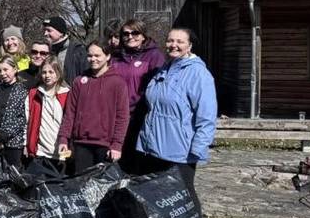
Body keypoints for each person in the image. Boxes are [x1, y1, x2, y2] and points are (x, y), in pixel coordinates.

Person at [137, 27, 218, 192]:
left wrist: (198, 149)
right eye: (170, 40)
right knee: (158, 197)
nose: (174, 45)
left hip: (181, 151)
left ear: (190, 46)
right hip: (153, 146)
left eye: (180, 41)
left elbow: (207, 116)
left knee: (182, 198)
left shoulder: (198, 74)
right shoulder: (165, 69)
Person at [56, 41, 130, 175]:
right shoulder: (79, 81)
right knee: (82, 185)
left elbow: (122, 117)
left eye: (97, 55)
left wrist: (117, 145)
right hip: (81, 144)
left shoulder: (118, 83)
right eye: (90, 56)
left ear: (107, 56)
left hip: (105, 146)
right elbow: (70, 113)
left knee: (103, 188)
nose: (93, 59)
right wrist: (63, 138)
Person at [112, 18, 167, 168]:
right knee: (117, 157)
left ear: (143, 35)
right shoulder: (115, 57)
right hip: (116, 114)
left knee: (135, 158)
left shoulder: (154, 56)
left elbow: (159, 87)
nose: (130, 37)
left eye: (135, 33)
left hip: (140, 115)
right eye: (126, 34)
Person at [26, 59, 70, 165]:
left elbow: (70, 123)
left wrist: (66, 155)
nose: (47, 75)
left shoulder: (68, 94)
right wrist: (27, 145)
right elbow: (27, 121)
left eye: (51, 72)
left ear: (59, 73)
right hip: (40, 152)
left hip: (61, 153)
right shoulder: (34, 94)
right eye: (44, 72)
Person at [42, 15, 89, 83]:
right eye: (44, 30)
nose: (45, 33)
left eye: (49, 30)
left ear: (61, 32)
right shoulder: (46, 51)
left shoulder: (78, 52)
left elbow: (85, 79)